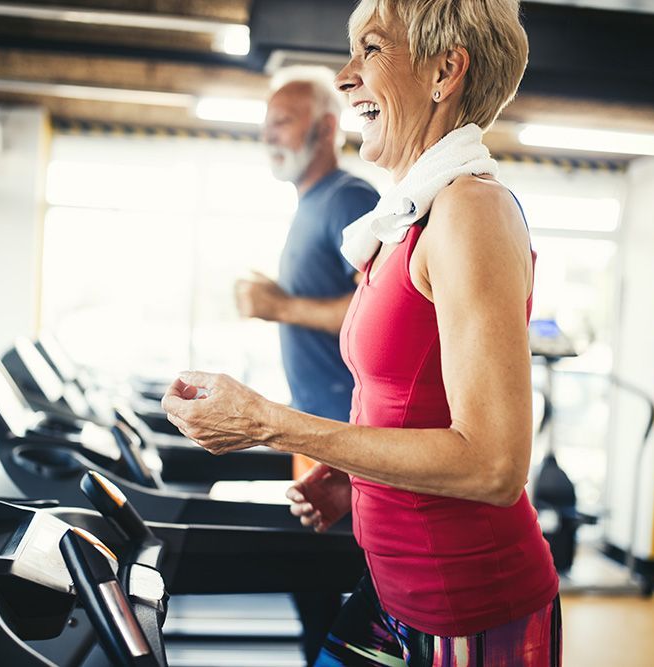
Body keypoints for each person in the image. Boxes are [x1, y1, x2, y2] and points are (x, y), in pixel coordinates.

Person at [163, 0, 561, 665]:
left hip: (467, 604)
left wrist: (269, 423)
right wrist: (355, 480)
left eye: (370, 50)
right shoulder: (411, 217)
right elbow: (416, 402)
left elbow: (494, 464)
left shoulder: (470, 212)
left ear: (445, 70)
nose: (347, 76)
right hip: (389, 589)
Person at [234, 66, 380, 666]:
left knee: (337, 597)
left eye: (282, 123)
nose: (269, 136)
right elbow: (330, 301)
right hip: (314, 428)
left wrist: (281, 305)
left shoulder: (349, 197)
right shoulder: (311, 202)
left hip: (347, 438)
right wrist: (280, 298)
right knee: (311, 588)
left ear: (325, 128)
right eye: (265, 126)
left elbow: (380, 310)